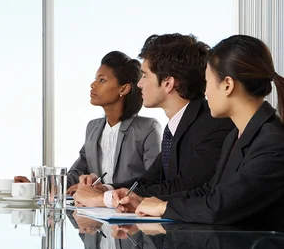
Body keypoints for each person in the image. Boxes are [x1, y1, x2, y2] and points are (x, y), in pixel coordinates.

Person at [131, 35, 284, 225]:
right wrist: (150, 202)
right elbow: (209, 191)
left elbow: (218, 207)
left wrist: (163, 207)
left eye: (208, 82)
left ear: (227, 85)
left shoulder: (273, 142)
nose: (205, 92)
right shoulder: (234, 137)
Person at [74, 34, 234, 208]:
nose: (140, 84)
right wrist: (104, 188)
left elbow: (183, 187)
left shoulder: (213, 123)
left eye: (145, 75)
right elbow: (148, 180)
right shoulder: (175, 125)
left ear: (168, 83)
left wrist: (105, 199)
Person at [17, 51, 161, 194]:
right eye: (95, 79)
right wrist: (39, 187)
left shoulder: (148, 128)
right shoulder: (93, 127)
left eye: (102, 80)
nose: (93, 85)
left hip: (131, 212)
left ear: (123, 88)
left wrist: (106, 190)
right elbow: (77, 173)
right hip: (94, 212)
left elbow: (153, 181)